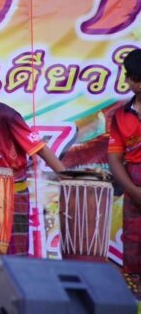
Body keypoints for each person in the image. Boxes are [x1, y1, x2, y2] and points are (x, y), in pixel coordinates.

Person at [0, 63, 65, 256]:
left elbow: (39, 148)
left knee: (14, 253)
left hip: (12, 194)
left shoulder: (6, 115)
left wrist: (67, 177)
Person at [108, 48, 141, 295]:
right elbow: (114, 158)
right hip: (134, 185)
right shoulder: (120, 116)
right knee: (134, 244)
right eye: (133, 78)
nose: (136, 84)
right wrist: (133, 190)